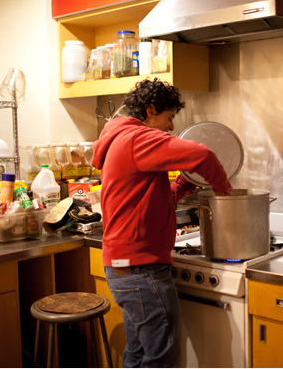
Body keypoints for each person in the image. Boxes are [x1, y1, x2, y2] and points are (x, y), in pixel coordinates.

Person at [91, 78, 233, 368]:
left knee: (139, 354)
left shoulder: (120, 138)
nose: (170, 127)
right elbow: (202, 154)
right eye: (169, 118)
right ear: (151, 109)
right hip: (142, 270)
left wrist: (182, 186)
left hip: (125, 268)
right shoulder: (137, 137)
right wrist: (224, 190)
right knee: (161, 360)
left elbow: (140, 196)